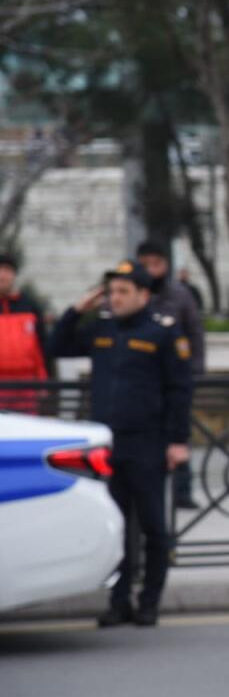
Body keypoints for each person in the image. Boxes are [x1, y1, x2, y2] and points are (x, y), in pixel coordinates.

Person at [49, 260, 193, 628]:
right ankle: (118, 601)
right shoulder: (102, 329)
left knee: (152, 526)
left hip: (147, 443)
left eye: (122, 292)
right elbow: (57, 346)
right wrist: (77, 309)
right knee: (114, 526)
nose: (114, 299)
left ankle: (149, 601)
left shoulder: (163, 332)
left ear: (144, 295)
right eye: (111, 292)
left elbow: (179, 390)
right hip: (106, 445)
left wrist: (178, 441)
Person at [136, 240, 206, 509]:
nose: (152, 270)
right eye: (146, 264)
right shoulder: (134, 293)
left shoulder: (180, 295)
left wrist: (196, 370)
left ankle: (182, 491)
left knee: (179, 432)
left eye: (157, 264)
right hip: (144, 379)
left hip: (175, 377)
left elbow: (195, 333)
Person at [0, 252, 48, 414]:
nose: (2, 275)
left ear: (14, 275)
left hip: (27, 385)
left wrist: (43, 380)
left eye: (6, 270)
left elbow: (41, 346)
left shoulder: (29, 306)